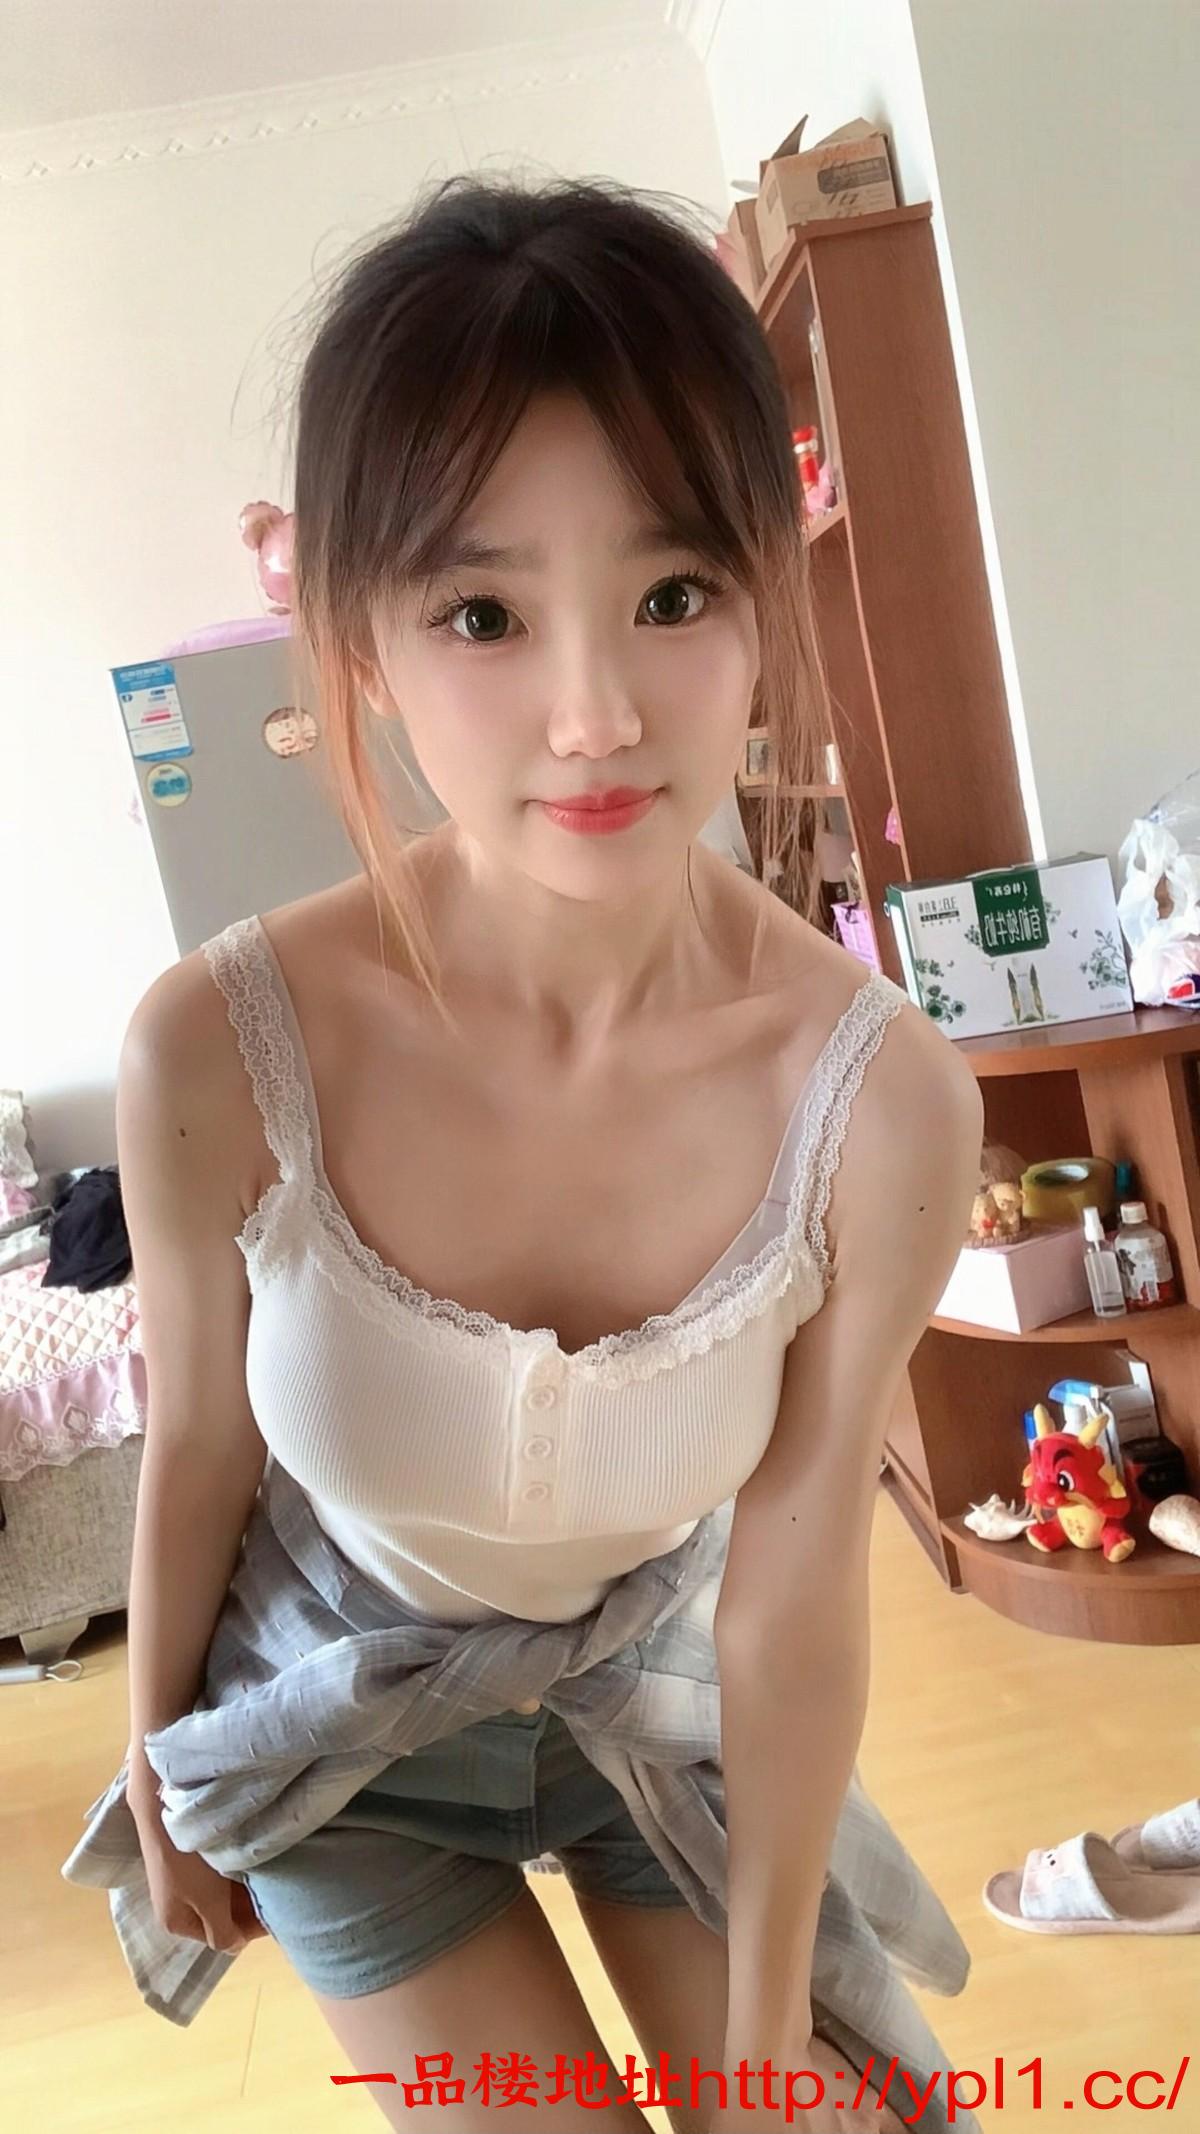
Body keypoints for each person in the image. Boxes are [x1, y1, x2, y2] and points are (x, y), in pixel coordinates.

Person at [74, 179, 983, 2132]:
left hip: (663, 1684)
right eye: (484, 614)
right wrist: (162, 1769)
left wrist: (765, 2035)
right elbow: (203, 1447)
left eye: (674, 593)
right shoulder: (215, 1051)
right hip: (347, 1729)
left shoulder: (879, 1101)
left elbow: (797, 1581)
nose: (596, 715)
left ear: (767, 590)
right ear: (359, 640)